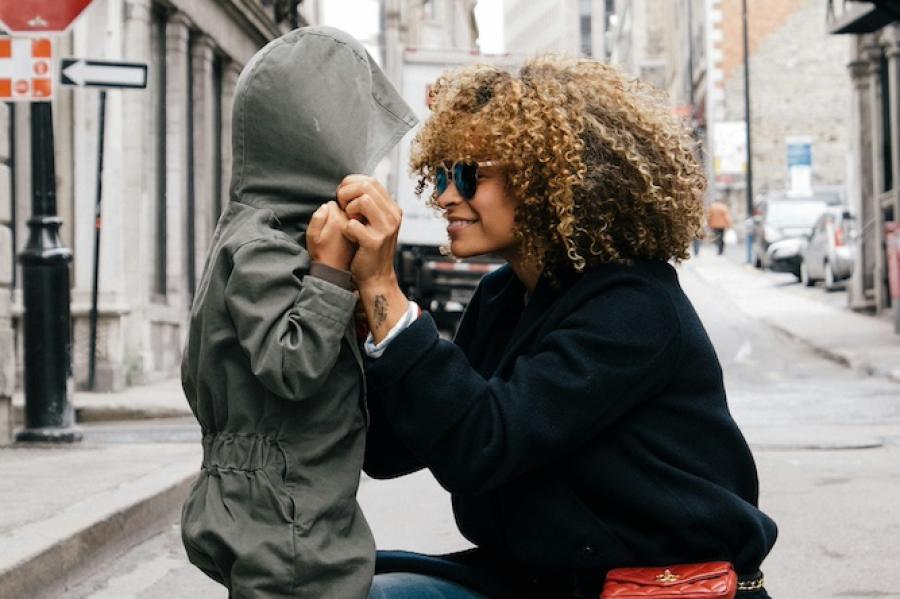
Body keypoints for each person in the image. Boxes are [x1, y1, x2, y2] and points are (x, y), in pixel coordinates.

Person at [333, 57, 776, 598]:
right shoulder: (503, 297)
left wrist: (388, 296)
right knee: (340, 583)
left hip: (652, 586)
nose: (446, 195)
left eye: (469, 174)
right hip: (542, 578)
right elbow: (393, 450)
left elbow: (483, 443)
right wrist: (363, 327)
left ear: (547, 180)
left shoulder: (633, 307)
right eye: (442, 174)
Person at [178, 27, 416, 598]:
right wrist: (330, 273)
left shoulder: (272, 228)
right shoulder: (266, 241)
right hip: (285, 517)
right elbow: (292, 363)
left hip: (285, 502)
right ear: (315, 138)